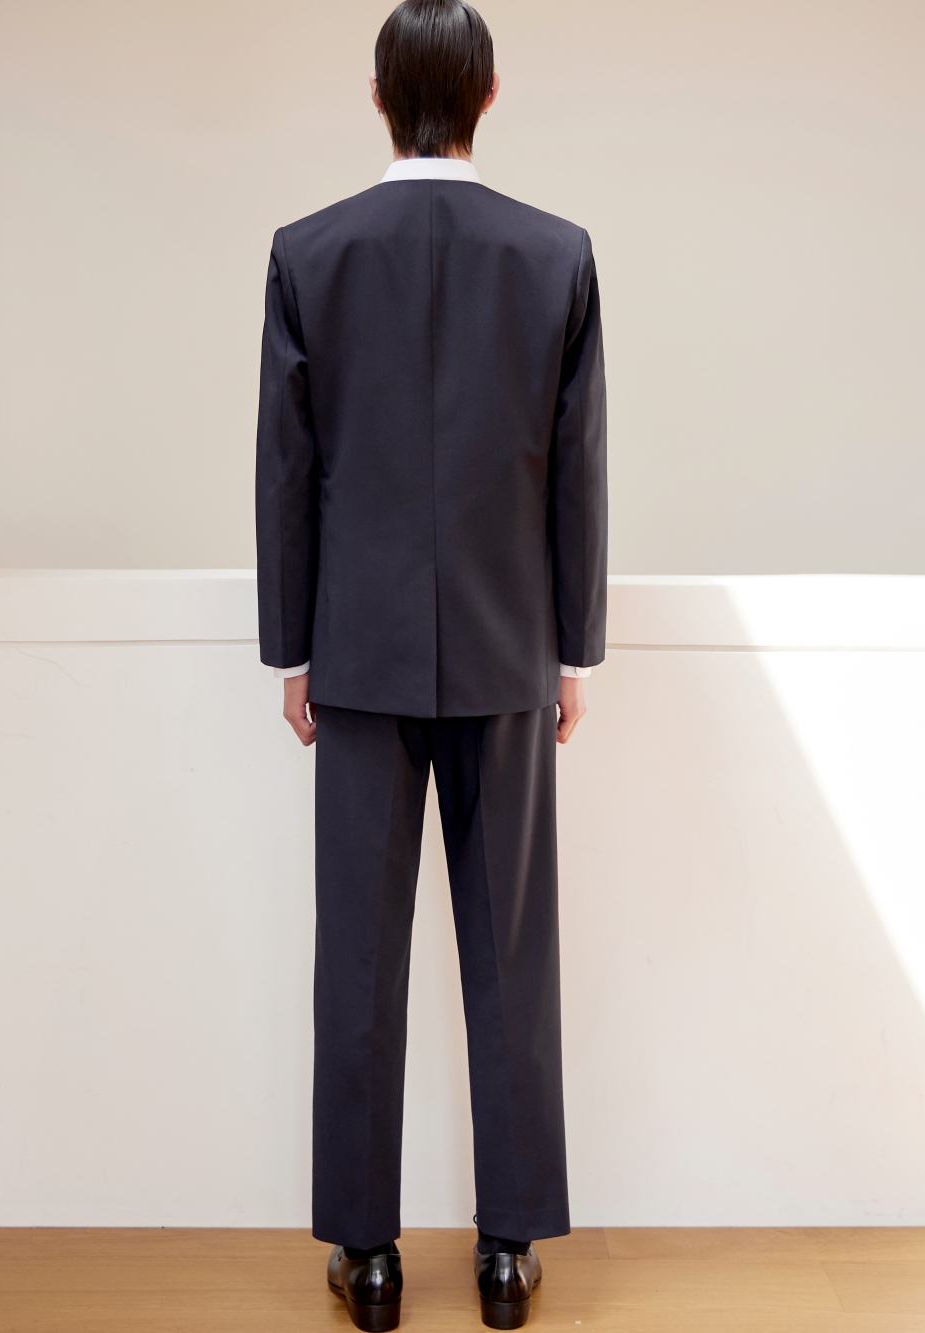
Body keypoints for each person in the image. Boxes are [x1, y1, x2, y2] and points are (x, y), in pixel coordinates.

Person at [255, 1, 606, 1327]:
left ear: (377, 95)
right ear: (489, 95)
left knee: (358, 955)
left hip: (357, 651)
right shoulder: (556, 254)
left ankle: (371, 1257)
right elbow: (577, 469)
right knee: (510, 955)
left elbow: (287, 468)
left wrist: (293, 648)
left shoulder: (310, 253)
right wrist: (574, 650)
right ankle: (507, 1253)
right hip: (512, 648)